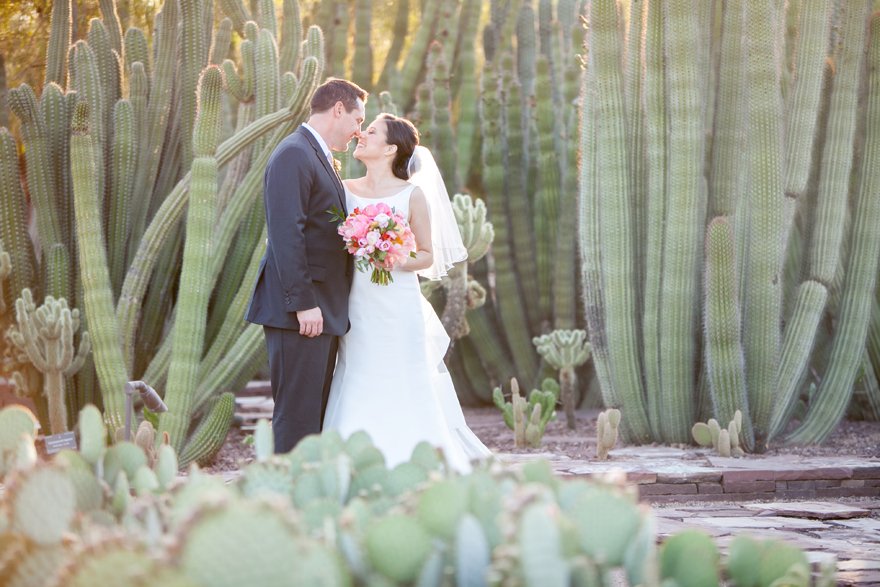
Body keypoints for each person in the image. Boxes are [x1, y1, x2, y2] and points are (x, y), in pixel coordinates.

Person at [323, 114, 493, 473]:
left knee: (403, 376)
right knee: (357, 374)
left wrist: (388, 253)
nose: (361, 135)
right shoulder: (344, 188)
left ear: (389, 149)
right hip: (357, 304)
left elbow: (427, 255)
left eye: (370, 132)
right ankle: (353, 463)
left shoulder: (411, 195)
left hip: (399, 306)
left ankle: (421, 464)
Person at [245, 79, 366, 453]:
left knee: (312, 413)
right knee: (297, 415)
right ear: (338, 109)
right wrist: (303, 303)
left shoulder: (316, 154)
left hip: (321, 309)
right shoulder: (294, 153)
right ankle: (284, 494)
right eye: (358, 120)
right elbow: (285, 234)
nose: (358, 131)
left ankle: (305, 491)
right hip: (300, 311)